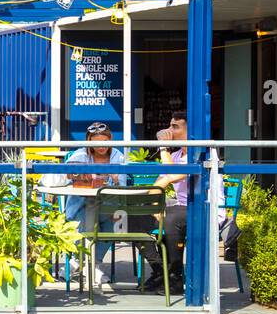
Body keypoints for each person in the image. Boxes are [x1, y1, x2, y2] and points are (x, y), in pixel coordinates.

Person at [63, 122, 128, 288]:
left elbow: (122, 182)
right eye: (96, 143)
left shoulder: (117, 156)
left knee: (118, 222)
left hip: (109, 205)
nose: (101, 147)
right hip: (81, 205)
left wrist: (113, 178)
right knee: (86, 217)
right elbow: (71, 172)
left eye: (104, 142)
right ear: (89, 142)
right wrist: (91, 176)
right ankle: (85, 263)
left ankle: (90, 263)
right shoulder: (80, 154)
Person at [135, 112, 190, 293]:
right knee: (134, 215)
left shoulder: (198, 155)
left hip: (201, 207)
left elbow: (171, 176)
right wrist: (152, 206)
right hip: (180, 207)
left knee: (171, 218)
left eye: (175, 127)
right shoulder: (175, 157)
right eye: (169, 125)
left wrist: (164, 148)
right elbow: (157, 186)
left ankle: (175, 277)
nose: (169, 131)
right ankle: (159, 270)